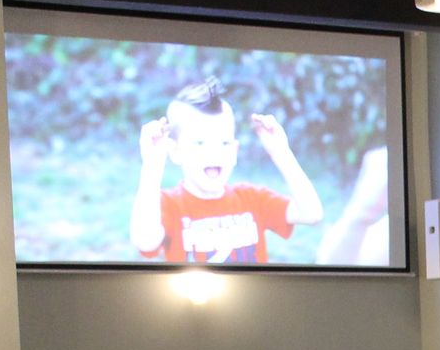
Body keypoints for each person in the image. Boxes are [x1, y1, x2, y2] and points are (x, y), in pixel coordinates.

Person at [130, 77, 323, 263]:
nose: (214, 153)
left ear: (235, 151)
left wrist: (281, 153)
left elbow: (311, 213)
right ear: (175, 151)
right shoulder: (168, 205)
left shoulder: (253, 199)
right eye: (199, 142)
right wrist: (152, 165)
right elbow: (146, 242)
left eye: (224, 142)